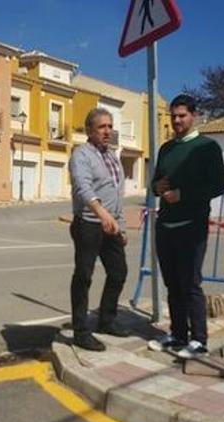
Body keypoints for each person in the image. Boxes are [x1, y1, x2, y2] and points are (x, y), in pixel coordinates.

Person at [149, 94, 224, 358]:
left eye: (182, 115)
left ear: (194, 116)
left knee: (190, 282)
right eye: (173, 116)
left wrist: (183, 194)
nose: (177, 120)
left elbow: (217, 186)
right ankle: (178, 335)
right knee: (172, 283)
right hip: (165, 225)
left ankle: (199, 340)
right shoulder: (166, 149)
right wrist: (155, 188)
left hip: (192, 226)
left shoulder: (208, 147)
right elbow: (156, 181)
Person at [68, 107, 129, 351]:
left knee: (118, 272)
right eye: (102, 127)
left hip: (110, 225)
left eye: (110, 126)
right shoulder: (81, 155)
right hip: (88, 224)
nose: (107, 131)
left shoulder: (113, 156)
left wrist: (120, 225)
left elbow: (117, 194)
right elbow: (83, 188)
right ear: (90, 130)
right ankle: (81, 332)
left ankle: (106, 320)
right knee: (84, 276)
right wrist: (101, 213)